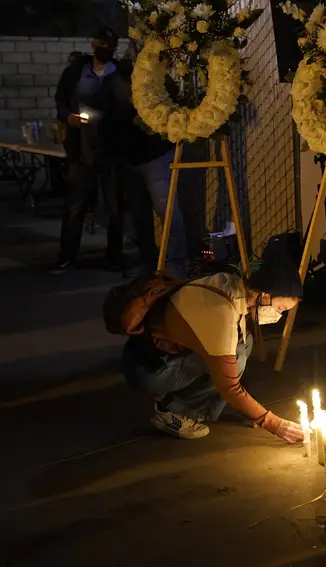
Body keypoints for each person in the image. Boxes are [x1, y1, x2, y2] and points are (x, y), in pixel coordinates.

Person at [121, 238, 305, 442]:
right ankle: (170, 412)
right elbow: (230, 387)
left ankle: (185, 403)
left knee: (245, 343)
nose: (279, 315)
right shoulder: (222, 313)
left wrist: (251, 410)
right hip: (148, 368)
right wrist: (272, 423)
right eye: (281, 308)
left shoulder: (233, 286)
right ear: (265, 294)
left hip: (157, 356)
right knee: (234, 356)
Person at [101, 58, 186, 277]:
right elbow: (107, 121)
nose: (121, 89)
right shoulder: (112, 89)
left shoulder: (154, 86)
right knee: (140, 214)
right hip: (131, 158)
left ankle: (176, 263)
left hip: (154, 155)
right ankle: (148, 258)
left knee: (166, 211)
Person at [52, 27, 125, 274]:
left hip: (111, 147)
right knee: (75, 205)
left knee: (115, 206)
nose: (106, 49)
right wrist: (67, 117)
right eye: (102, 44)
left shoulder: (120, 72)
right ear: (94, 44)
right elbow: (60, 98)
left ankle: (114, 258)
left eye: (110, 46)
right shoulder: (76, 72)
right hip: (81, 146)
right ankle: (67, 257)